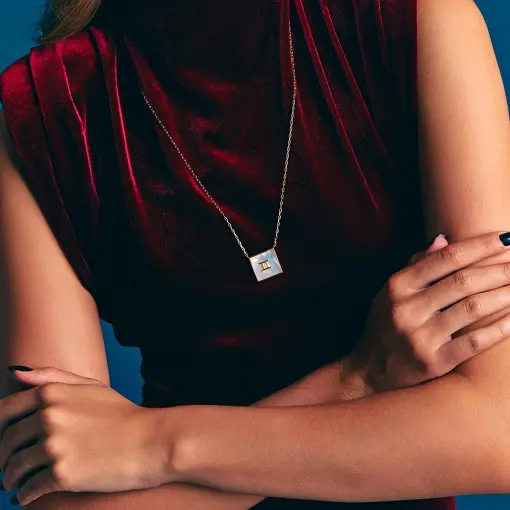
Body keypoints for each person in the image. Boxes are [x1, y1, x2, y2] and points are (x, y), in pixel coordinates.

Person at [0, 0, 510, 508]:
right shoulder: (42, 112)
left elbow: (497, 434)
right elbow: (60, 501)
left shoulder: (416, 20)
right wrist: (354, 382)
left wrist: (154, 443)